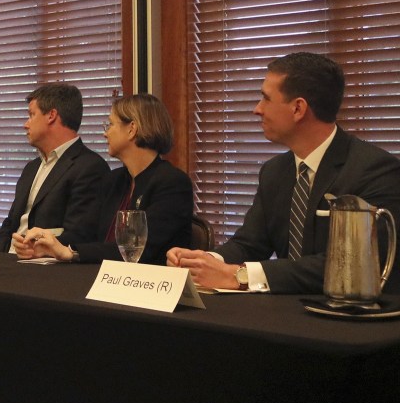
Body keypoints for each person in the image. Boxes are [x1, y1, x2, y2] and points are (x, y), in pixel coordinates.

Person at [168, 52, 400, 294]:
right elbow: (249, 244)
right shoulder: (274, 172)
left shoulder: (374, 170)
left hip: (351, 322)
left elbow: (351, 264)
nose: (257, 110)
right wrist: (200, 262)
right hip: (286, 315)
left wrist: (242, 276)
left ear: (298, 108)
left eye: (265, 99)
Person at [12, 94, 193, 264]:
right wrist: (47, 246)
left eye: (110, 125)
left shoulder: (173, 184)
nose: (105, 134)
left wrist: (71, 253)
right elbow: (87, 235)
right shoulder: (114, 181)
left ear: (132, 129)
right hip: (102, 279)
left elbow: (138, 250)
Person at [0, 83, 109, 253]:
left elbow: (80, 235)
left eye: (31, 115)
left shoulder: (90, 167)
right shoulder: (31, 168)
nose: (26, 124)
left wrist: (36, 248)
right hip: (9, 266)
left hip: (47, 271)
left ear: (51, 116)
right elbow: (10, 224)